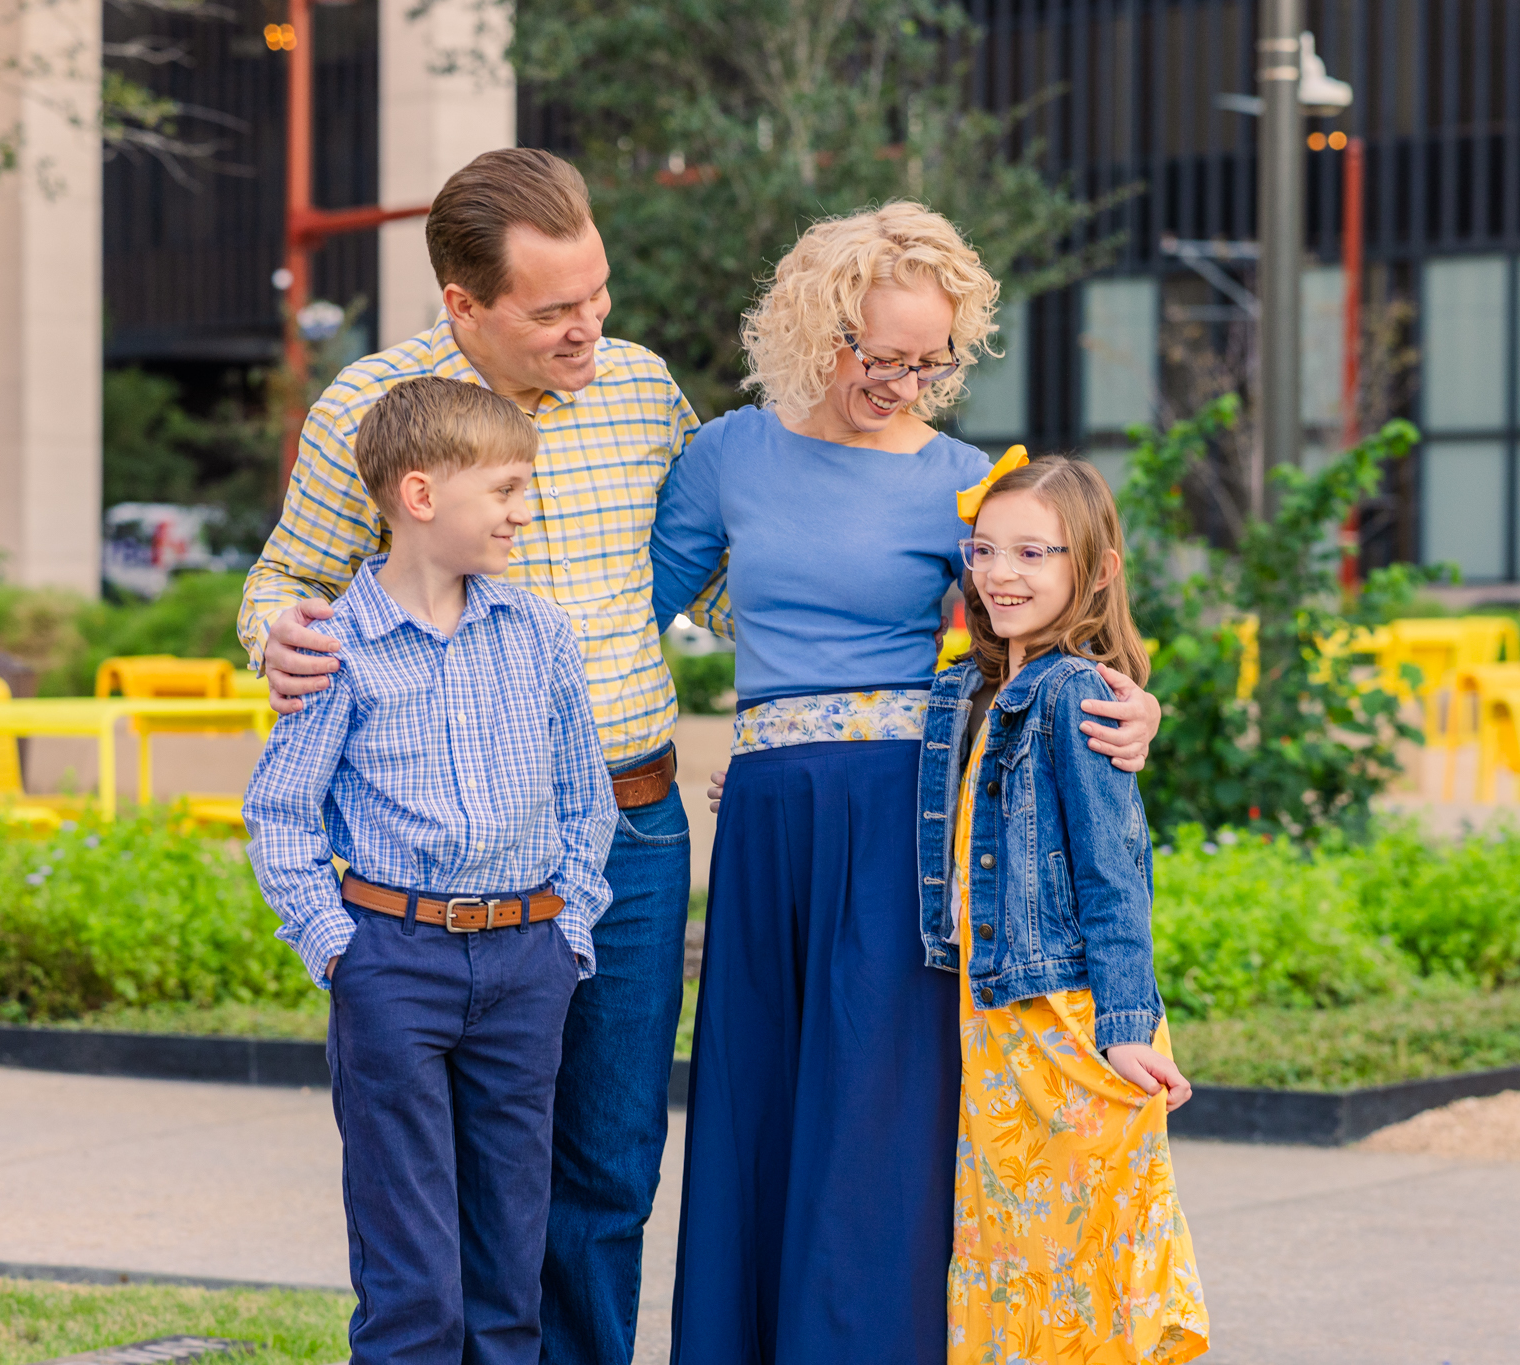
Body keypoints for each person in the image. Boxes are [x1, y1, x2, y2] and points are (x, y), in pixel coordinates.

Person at [648, 202, 1163, 1365]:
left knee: (873, 1118)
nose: (905, 381)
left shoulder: (969, 483)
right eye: (881, 355)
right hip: (771, 818)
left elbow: (1039, 631)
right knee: (755, 1101)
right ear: (814, 327)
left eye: (930, 359)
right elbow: (628, 621)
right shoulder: (728, 454)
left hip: (911, 822)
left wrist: (1134, 700)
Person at [237, 149, 714, 1365]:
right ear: (463, 305)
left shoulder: (646, 392)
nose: (587, 327)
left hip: (628, 829)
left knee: (604, 1167)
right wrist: (279, 639)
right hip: (440, 878)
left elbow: (731, 578)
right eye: (552, 310)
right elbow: (287, 581)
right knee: (448, 1185)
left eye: (596, 292)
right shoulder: (370, 408)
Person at [243, 377, 618, 1365]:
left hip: (526, 963)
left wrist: (566, 932)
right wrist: (341, 955)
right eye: (503, 490)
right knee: (412, 1278)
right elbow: (280, 812)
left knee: (509, 1262)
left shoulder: (539, 635)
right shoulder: (335, 647)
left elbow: (587, 799)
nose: (521, 510)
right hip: (393, 966)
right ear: (419, 496)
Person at [927, 452, 1209, 1364]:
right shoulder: (981, 689)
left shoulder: (1075, 693)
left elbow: (1115, 871)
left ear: (1093, 571)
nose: (1000, 574)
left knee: (1075, 1275)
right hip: (1000, 1029)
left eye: (1033, 554)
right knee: (1015, 1264)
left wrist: (1129, 1023)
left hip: (1069, 1030)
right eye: (985, 550)